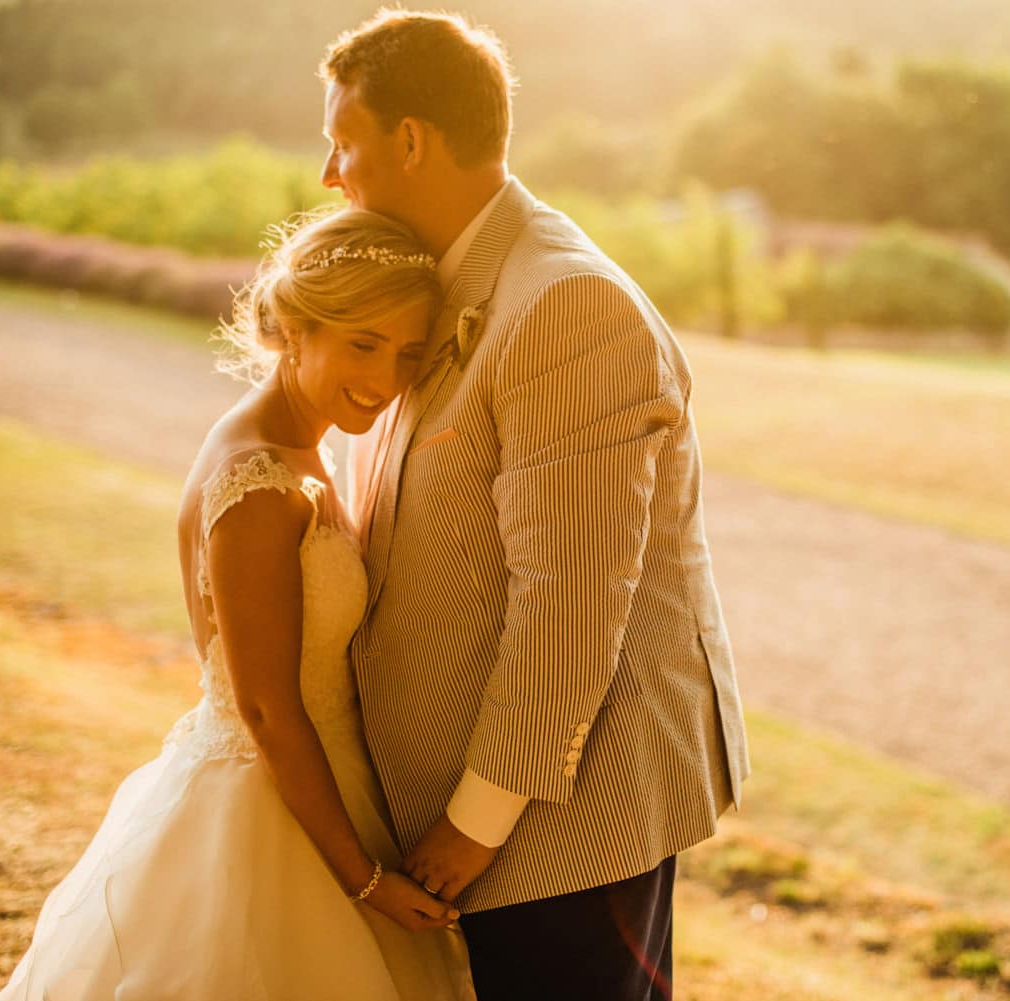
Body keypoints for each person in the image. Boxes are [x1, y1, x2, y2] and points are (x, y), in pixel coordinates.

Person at [322, 11, 751, 1000]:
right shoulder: (442, 285)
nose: (328, 174)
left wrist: (471, 825)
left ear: (412, 141)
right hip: (480, 818)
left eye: (342, 143)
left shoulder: (564, 305)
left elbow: (568, 605)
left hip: (564, 821)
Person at [0, 207, 475, 1000]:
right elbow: (266, 708)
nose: (388, 379)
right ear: (294, 328)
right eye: (364, 343)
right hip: (266, 812)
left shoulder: (297, 444)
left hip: (319, 782)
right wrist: (362, 883)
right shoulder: (257, 481)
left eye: (409, 353)